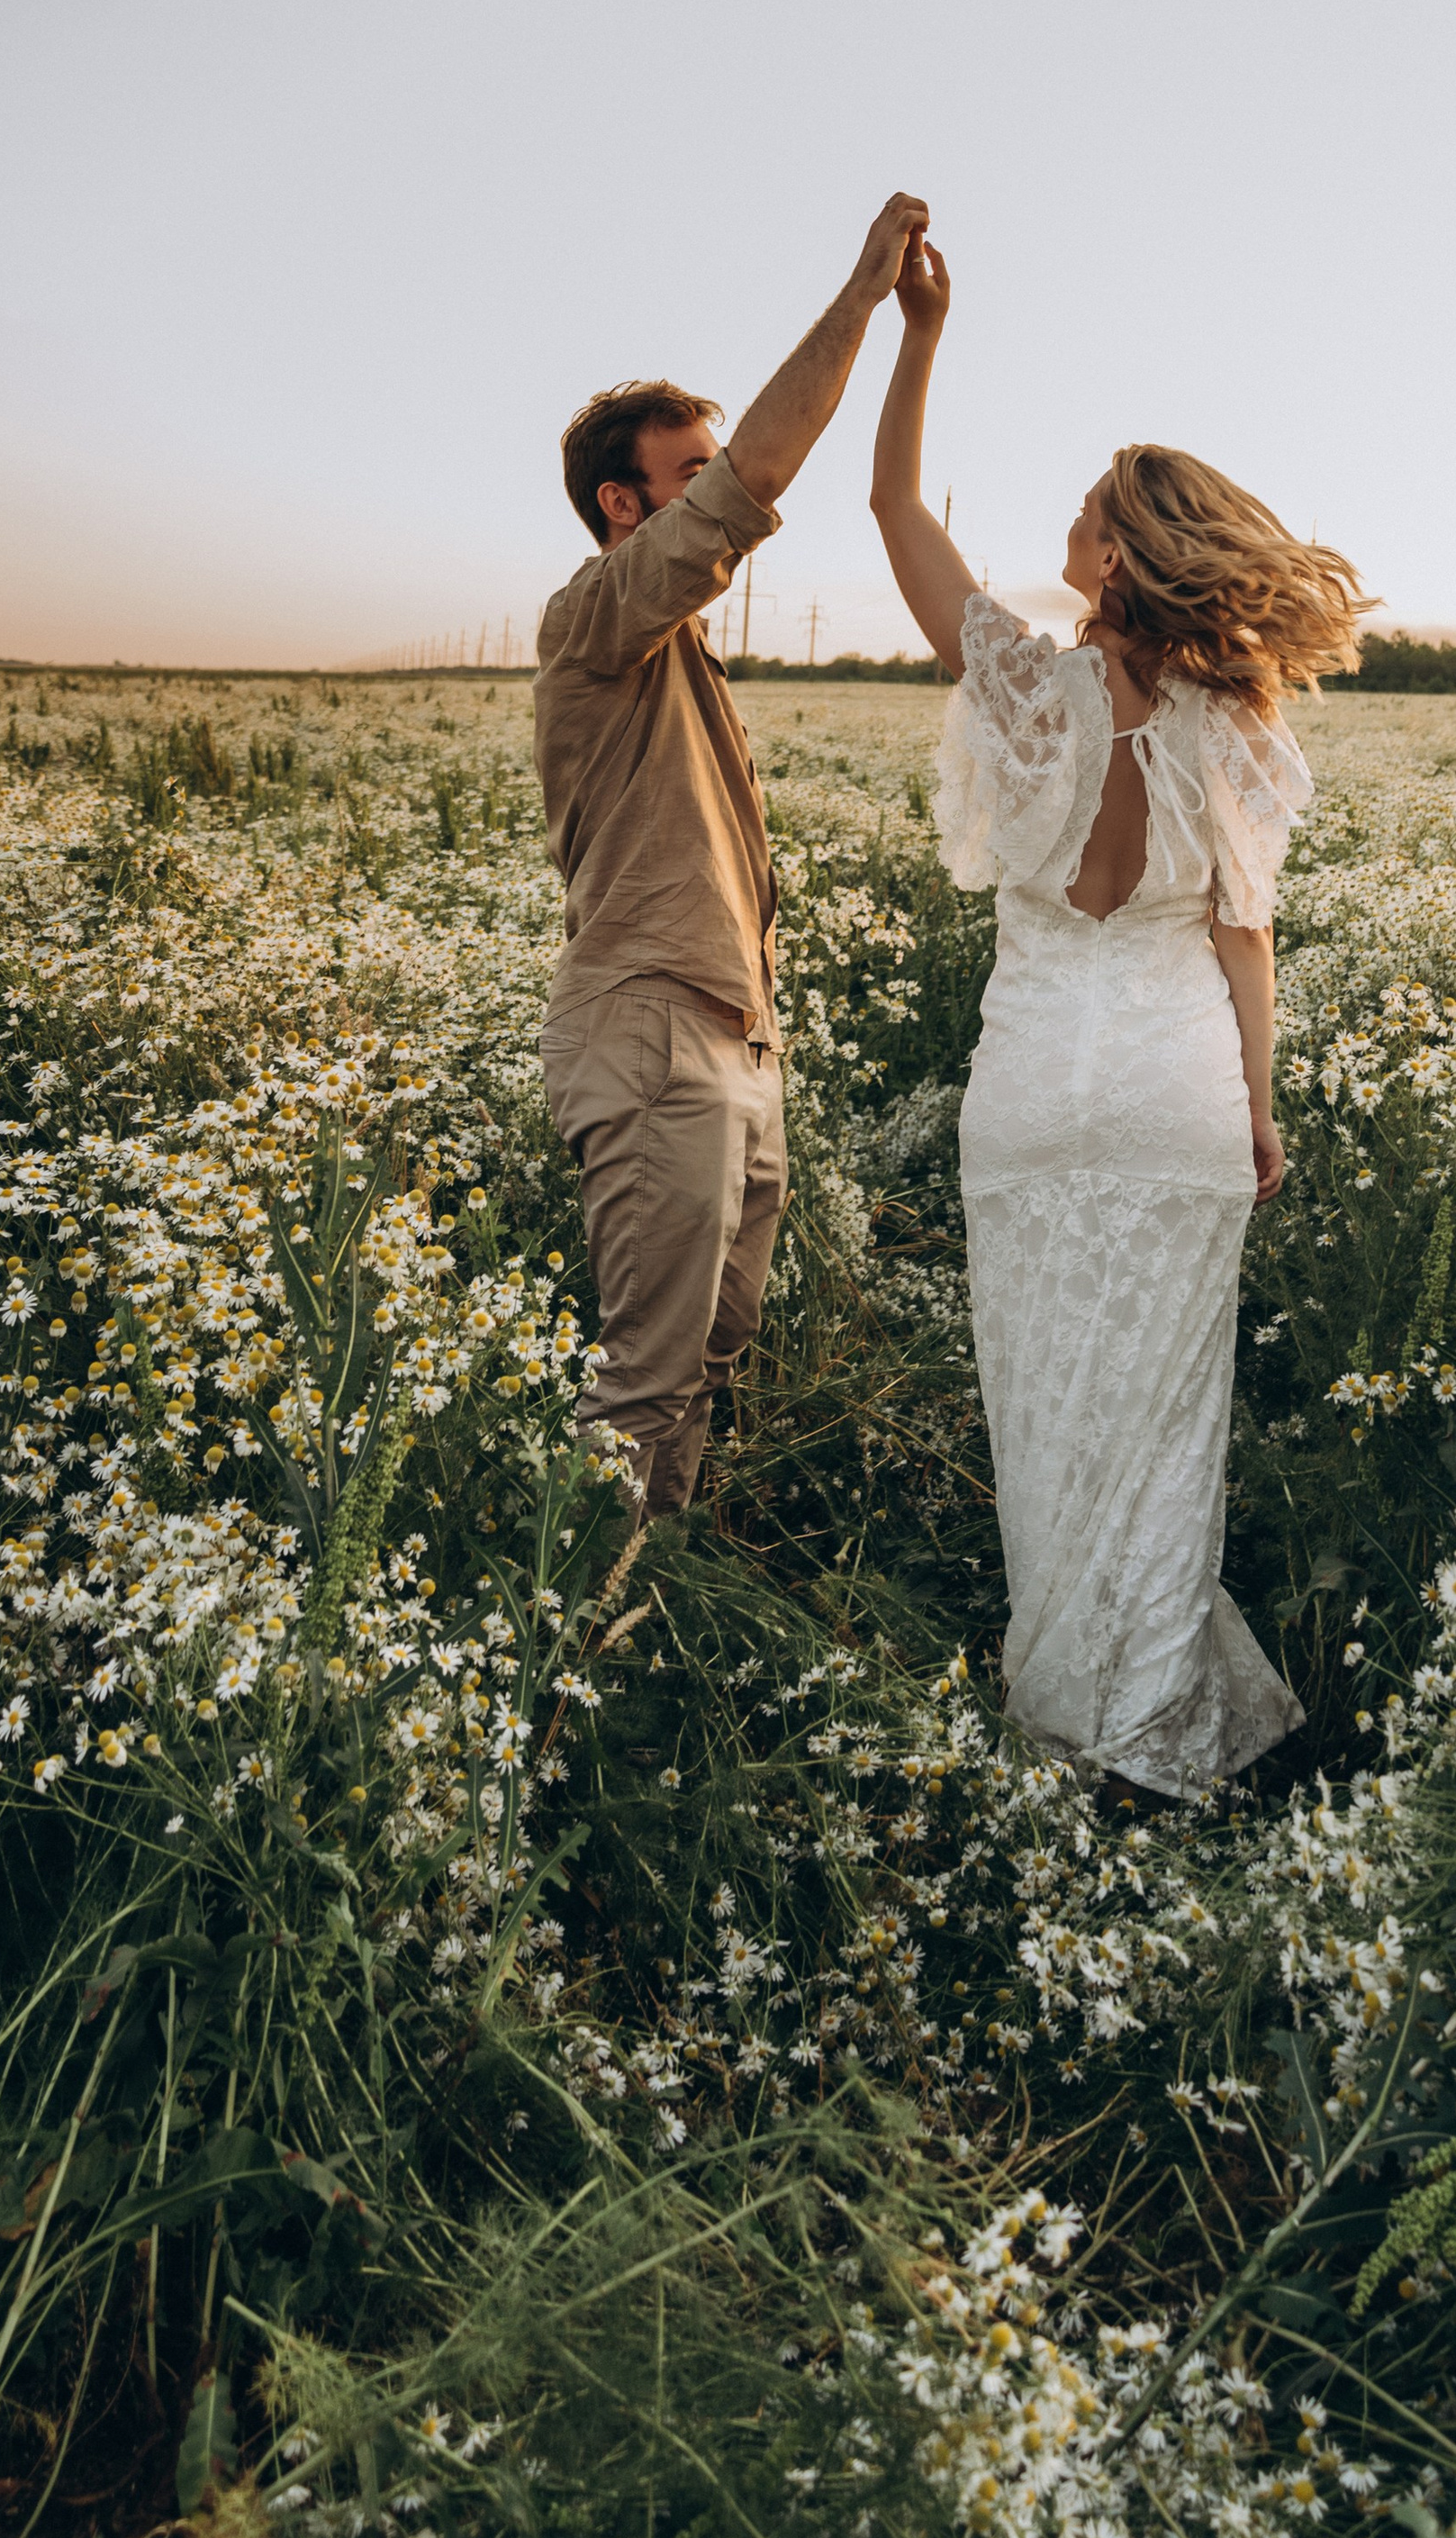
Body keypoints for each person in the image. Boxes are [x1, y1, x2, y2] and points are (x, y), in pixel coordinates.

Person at [867, 227, 1374, 1793]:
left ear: (1114, 555)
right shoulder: (1232, 726)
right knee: (1161, 1429)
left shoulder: (1020, 684)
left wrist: (918, 335)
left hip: (1031, 1094)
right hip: (1174, 1096)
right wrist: (1262, 1110)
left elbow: (893, 508)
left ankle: (1070, 1723)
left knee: (1047, 1421)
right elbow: (1243, 942)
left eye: (1088, 506)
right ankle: (1154, 1730)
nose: (1069, 520)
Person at [535, 192, 931, 1518]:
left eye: (710, 464)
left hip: (728, 1036)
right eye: (689, 473)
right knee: (646, 1381)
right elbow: (760, 473)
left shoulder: (674, 646)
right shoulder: (596, 617)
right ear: (624, 503)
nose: (719, 484)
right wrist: (864, 298)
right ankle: (573, 1623)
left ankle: (653, 1589)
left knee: (713, 1355)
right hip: (655, 1029)